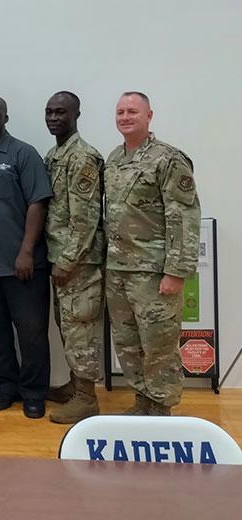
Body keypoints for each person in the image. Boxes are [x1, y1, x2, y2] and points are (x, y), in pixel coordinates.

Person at [105, 91, 200, 416]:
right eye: (120, 112)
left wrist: (176, 271)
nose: (125, 117)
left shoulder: (168, 159)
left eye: (132, 111)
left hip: (154, 272)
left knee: (158, 345)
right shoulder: (114, 159)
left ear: (149, 116)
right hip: (118, 271)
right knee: (128, 343)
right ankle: (142, 403)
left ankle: (161, 410)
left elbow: (184, 217)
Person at [0, 95, 53, 419]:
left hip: (21, 265)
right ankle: (6, 388)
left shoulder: (22, 153)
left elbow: (38, 203)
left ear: (5, 117)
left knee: (31, 334)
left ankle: (33, 393)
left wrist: (27, 252)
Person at [42, 92, 105, 424]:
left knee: (81, 327)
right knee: (68, 326)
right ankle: (76, 384)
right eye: (49, 112)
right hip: (60, 259)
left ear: (76, 114)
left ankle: (87, 398)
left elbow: (86, 219)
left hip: (79, 264)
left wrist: (67, 261)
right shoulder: (55, 155)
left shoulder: (82, 158)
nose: (54, 117)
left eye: (61, 112)